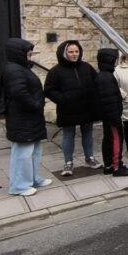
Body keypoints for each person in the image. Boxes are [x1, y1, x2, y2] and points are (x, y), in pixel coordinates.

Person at [0, 38, 51, 196]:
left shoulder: (21, 67)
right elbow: (19, 93)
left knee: (34, 150)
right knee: (22, 153)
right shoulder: (14, 70)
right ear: (18, 53)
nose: (30, 55)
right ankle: (19, 186)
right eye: (28, 53)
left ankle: (33, 178)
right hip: (22, 118)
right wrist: (36, 105)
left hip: (30, 118)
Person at [45, 40, 102, 176]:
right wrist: (63, 99)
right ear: (64, 53)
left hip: (87, 108)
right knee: (68, 135)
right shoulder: (55, 71)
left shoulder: (86, 67)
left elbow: (96, 83)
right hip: (68, 109)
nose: (74, 54)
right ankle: (68, 163)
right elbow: (49, 90)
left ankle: (89, 158)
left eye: (76, 51)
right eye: (71, 52)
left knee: (88, 133)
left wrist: (94, 99)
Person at [96, 48, 128, 176]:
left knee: (108, 139)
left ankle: (108, 165)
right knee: (116, 139)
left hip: (109, 115)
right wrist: (115, 118)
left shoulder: (103, 75)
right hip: (112, 116)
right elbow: (109, 99)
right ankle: (117, 167)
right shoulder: (106, 77)